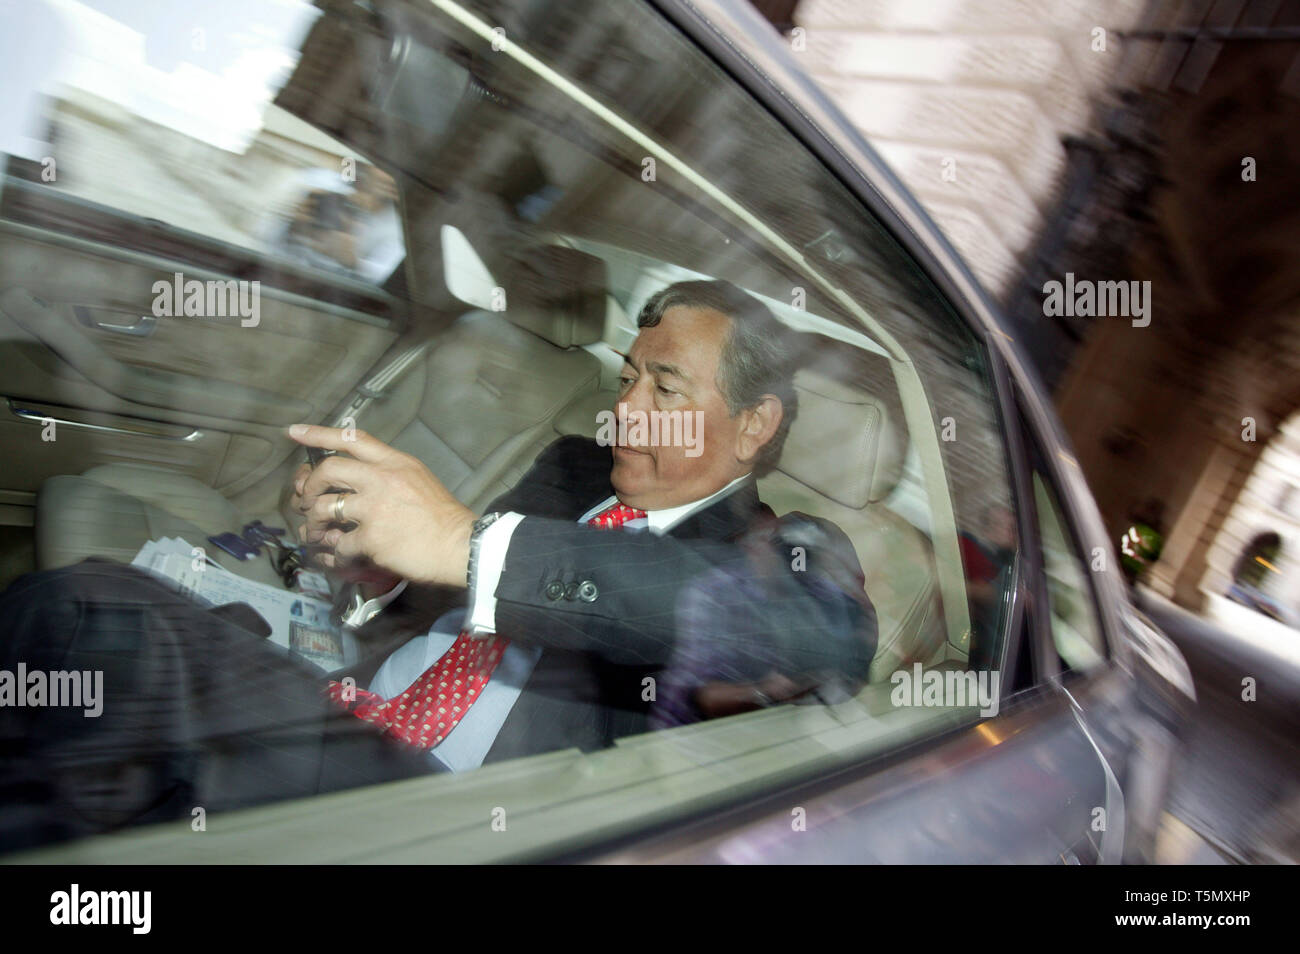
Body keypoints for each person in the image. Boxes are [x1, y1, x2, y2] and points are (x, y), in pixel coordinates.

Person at [0, 280, 876, 846]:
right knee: (100, 746)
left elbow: (808, 634)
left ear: (755, 426)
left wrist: (465, 542)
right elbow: (460, 589)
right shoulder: (575, 465)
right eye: (626, 378)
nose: (625, 411)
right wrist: (376, 566)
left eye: (666, 388)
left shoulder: (785, 547)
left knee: (92, 618)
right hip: (354, 689)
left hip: (456, 809)